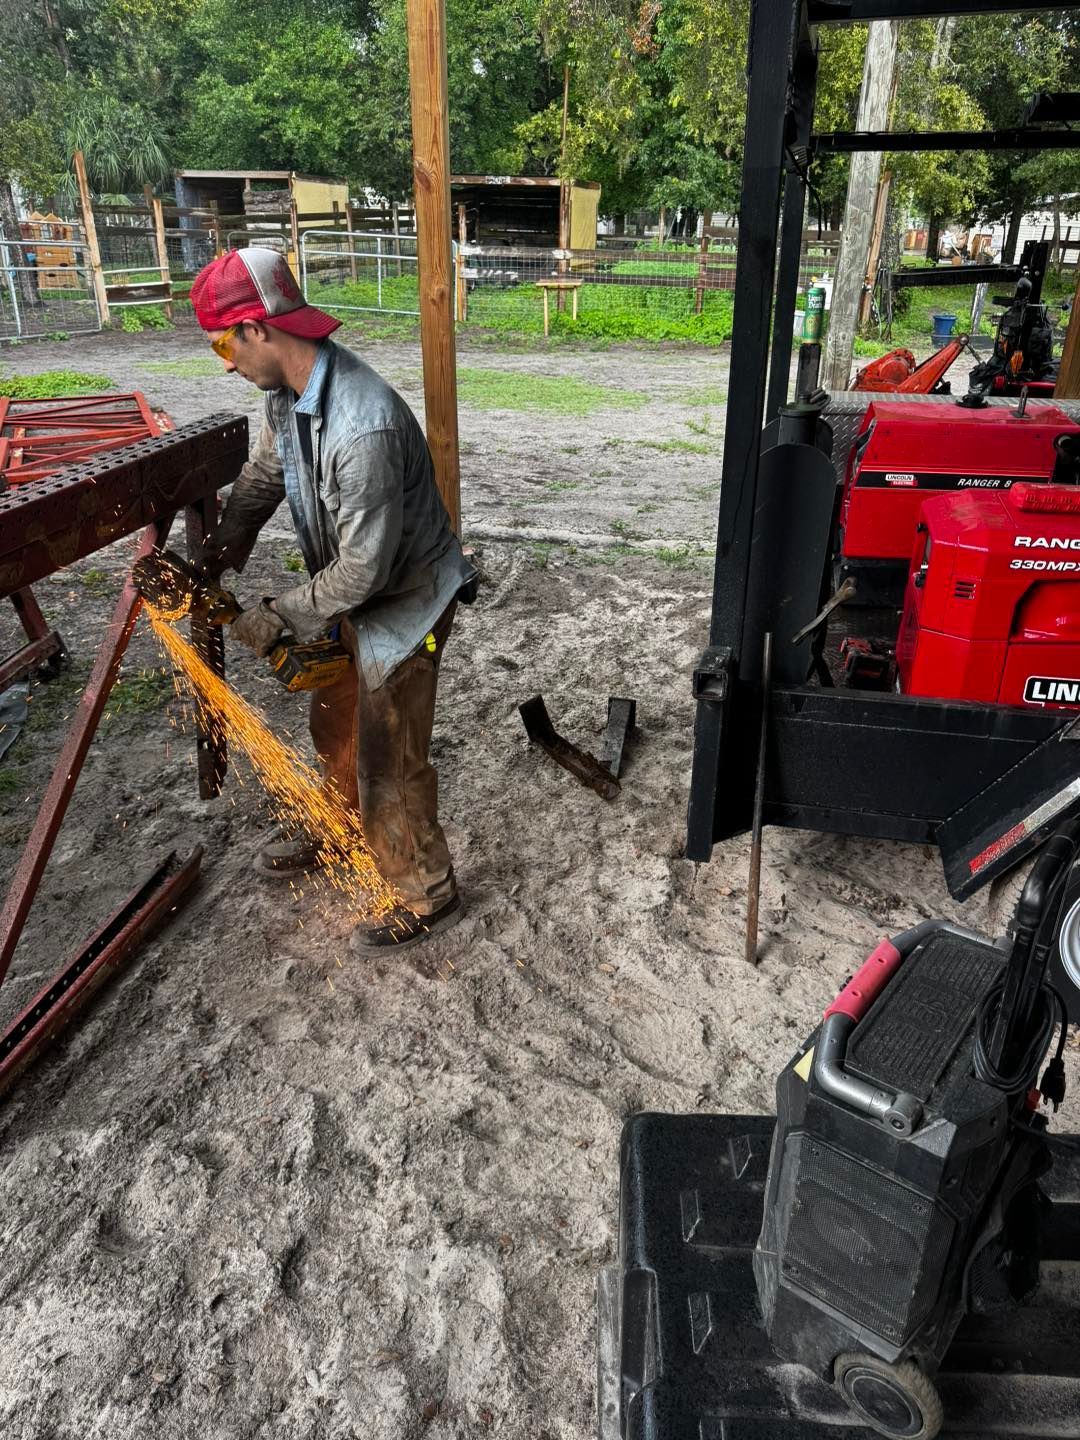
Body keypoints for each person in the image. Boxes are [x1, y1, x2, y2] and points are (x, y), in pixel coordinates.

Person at [189, 246, 475, 949]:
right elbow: (264, 473)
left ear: (259, 329)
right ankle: (338, 827)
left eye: (226, 342)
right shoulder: (284, 399)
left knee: (390, 759)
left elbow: (366, 572)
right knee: (335, 721)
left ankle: (427, 893)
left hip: (402, 605)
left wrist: (276, 613)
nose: (225, 361)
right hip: (350, 595)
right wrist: (224, 548)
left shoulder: (362, 425)